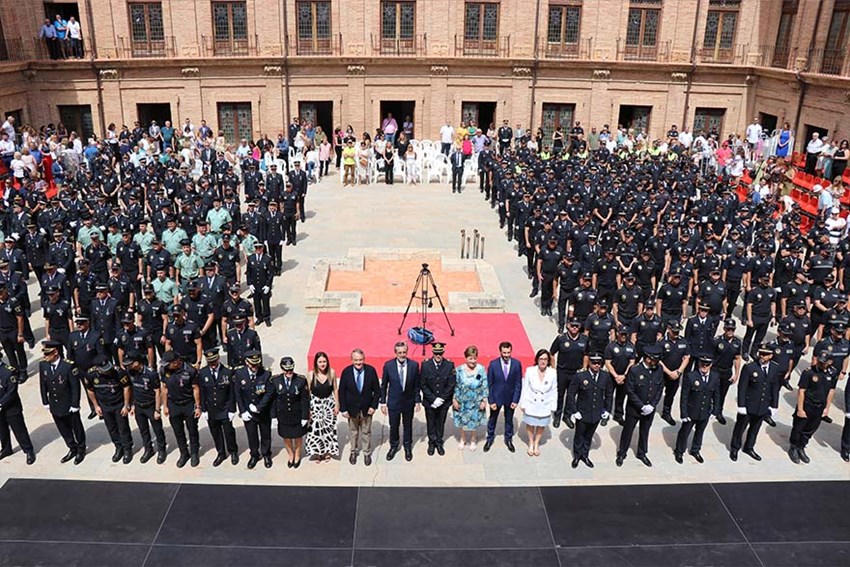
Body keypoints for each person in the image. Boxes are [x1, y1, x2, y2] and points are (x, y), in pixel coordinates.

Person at [616, 344, 664, 467]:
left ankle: (642, 453)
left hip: (650, 409)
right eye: (654, 360)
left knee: (645, 431)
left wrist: (652, 405)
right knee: (628, 431)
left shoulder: (658, 369)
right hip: (634, 408)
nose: (656, 362)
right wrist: (642, 406)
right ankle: (622, 453)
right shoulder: (635, 370)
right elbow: (629, 390)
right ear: (647, 359)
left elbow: (659, 388)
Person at [730, 344, 779, 462]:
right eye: (761, 353)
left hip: (762, 405)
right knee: (740, 427)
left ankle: (749, 447)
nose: (762, 356)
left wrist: (774, 405)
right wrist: (741, 405)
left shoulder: (774, 368)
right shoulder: (750, 367)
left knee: (755, 428)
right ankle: (735, 447)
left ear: (771, 356)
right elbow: (742, 388)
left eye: (765, 354)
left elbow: (774, 387)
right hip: (749, 405)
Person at [39, 340, 86, 464]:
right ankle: (72, 448)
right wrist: (45, 401)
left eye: (47, 354)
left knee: (76, 428)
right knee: (63, 429)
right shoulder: (43, 365)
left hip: (68, 403)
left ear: (55, 352)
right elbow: (43, 384)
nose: (45, 356)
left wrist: (75, 404)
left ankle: (81, 449)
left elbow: (75, 387)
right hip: (55, 404)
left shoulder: (68, 366)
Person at [83, 355, 133, 464]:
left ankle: (127, 448)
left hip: (118, 403)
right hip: (104, 405)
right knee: (111, 428)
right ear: (97, 368)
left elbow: (126, 387)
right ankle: (118, 447)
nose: (107, 371)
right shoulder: (91, 374)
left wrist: (126, 405)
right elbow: (90, 390)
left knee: (123, 427)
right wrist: (96, 406)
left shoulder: (118, 372)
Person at [788, 351, 836, 464]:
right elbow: (801, 391)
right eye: (819, 361)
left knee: (810, 429)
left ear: (830, 362)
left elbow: (831, 390)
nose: (820, 363)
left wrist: (827, 408)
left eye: (823, 362)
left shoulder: (833, 373)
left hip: (819, 407)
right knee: (798, 428)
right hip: (807, 405)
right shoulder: (808, 372)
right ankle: (793, 447)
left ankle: (801, 447)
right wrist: (800, 409)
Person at [567, 353, 613, 467]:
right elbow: (571, 394)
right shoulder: (580, 376)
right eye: (594, 363)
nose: (596, 365)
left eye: (599, 363)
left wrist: (607, 410)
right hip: (583, 412)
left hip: (596, 412)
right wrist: (574, 411)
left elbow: (609, 394)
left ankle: (585, 455)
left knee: (589, 435)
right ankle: (577, 456)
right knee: (579, 435)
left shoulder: (605, 376)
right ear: (589, 363)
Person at [674, 356, 720, 464]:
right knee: (685, 432)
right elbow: (684, 397)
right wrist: (684, 413)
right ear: (698, 363)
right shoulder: (691, 376)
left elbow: (716, 395)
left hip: (705, 411)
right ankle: (679, 451)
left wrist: (715, 410)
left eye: (707, 364)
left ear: (711, 365)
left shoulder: (714, 377)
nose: (704, 366)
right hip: (691, 411)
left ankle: (695, 450)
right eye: (702, 363)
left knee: (700, 432)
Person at [338, 349, 380, 466]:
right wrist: (343, 409)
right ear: (351, 360)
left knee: (366, 432)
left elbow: (377, 391)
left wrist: (373, 406)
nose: (358, 362)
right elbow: (341, 392)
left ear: (364, 359)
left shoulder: (371, 371)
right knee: (353, 432)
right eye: (356, 360)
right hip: (352, 410)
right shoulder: (346, 372)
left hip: (367, 409)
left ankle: (366, 453)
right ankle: (353, 451)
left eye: (360, 360)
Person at [380, 341, 421, 462]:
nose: (402, 355)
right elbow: (384, 385)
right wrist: (383, 402)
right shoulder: (389, 365)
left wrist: (417, 401)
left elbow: (416, 385)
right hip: (394, 402)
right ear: (395, 353)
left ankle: (407, 447)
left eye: (404, 352)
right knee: (394, 426)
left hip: (408, 402)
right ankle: (394, 446)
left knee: (408, 425)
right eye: (400, 352)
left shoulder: (414, 365)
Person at [161, 350, 201, 468]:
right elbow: (164, 388)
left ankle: (194, 453)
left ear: (176, 362)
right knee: (178, 432)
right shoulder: (164, 370)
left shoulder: (190, 370)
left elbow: (195, 389)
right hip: (174, 405)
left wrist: (198, 406)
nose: (167, 366)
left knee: (192, 430)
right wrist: (165, 406)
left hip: (188, 404)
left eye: (168, 363)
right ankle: (184, 453)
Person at [199, 347, 239, 467]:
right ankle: (221, 453)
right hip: (211, 409)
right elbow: (202, 392)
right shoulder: (203, 373)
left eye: (214, 361)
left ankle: (233, 451)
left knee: (228, 432)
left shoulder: (228, 371)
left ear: (218, 358)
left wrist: (232, 409)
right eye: (210, 362)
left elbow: (232, 393)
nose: (213, 364)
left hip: (225, 408)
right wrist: (203, 409)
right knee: (215, 432)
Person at [125, 350, 167, 464]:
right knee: (143, 430)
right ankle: (148, 449)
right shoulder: (131, 372)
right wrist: (132, 405)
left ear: (136, 363)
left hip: (151, 406)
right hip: (139, 406)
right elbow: (133, 389)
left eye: (130, 363)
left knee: (157, 430)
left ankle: (162, 449)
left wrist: (157, 410)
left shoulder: (151, 374)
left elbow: (157, 392)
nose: (128, 366)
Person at [235, 350, 274, 469]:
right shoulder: (240, 374)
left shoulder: (266, 374)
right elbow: (238, 393)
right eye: (252, 364)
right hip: (248, 412)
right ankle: (254, 455)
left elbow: (269, 393)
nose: (254, 367)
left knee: (265, 434)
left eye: (256, 364)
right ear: (246, 362)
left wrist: (259, 407)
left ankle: (266, 454)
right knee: (252, 435)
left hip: (263, 411)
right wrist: (242, 411)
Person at [271, 356, 310, 468]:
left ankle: (297, 454)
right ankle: (291, 454)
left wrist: (305, 416)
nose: (289, 372)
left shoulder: (301, 380)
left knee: (298, 436)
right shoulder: (275, 380)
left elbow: (304, 400)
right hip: (283, 414)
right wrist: (273, 416)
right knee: (286, 436)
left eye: (291, 369)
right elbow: (273, 400)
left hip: (297, 414)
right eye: (286, 370)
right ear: (282, 369)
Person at [484, 341, 522, 452]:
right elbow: (489, 384)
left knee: (509, 420)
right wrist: (491, 401)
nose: (506, 355)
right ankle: (490, 438)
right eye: (504, 353)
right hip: (496, 398)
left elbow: (518, 383)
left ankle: (508, 439)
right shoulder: (493, 364)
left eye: (508, 352)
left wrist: (516, 400)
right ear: (500, 352)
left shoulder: (516, 364)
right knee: (492, 419)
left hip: (510, 398)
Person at [419, 342, 456, 456]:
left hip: (444, 402)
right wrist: (433, 399)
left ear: (443, 353)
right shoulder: (425, 365)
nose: (438, 356)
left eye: (440, 353)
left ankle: (439, 442)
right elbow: (422, 384)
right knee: (430, 422)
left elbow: (451, 384)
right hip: (430, 401)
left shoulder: (449, 365)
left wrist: (442, 399)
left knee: (440, 422)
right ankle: (431, 442)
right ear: (433, 353)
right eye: (436, 353)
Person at [518, 348, 556, 457]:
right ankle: (530, 442)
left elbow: (554, 390)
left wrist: (553, 405)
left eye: (545, 359)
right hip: (532, 402)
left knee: (541, 424)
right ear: (537, 360)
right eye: (541, 359)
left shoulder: (553, 373)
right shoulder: (530, 371)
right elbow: (525, 387)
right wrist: (523, 403)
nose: (543, 361)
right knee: (530, 423)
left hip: (545, 403)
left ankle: (536, 443)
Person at [0, 354, 35, 464]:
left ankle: (28, 450)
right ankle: (6, 449)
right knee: (2, 430)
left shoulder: (8, 372)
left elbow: (11, 392)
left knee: (19, 430)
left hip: (11, 407)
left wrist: (0, 404)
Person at [304, 351, 339, 462]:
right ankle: (318, 453)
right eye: (320, 362)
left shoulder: (332, 373)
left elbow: (335, 389)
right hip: (315, 405)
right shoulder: (310, 374)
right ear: (316, 363)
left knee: (328, 429)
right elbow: (308, 393)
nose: (322, 364)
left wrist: (337, 404)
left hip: (328, 404)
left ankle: (328, 451)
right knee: (316, 430)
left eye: (324, 361)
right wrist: (308, 409)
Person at [453, 345, 488, 450]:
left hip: (476, 401)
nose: (473, 361)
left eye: (475, 358)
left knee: (474, 420)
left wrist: (484, 400)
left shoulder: (481, 369)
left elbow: (484, 385)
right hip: (462, 400)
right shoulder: (459, 370)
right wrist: (454, 399)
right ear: (466, 358)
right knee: (461, 420)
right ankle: (463, 438)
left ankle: (473, 439)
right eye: (470, 358)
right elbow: (456, 385)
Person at [247, 242, 274, 327]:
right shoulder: (251, 258)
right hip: (255, 285)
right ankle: (259, 317)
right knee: (256, 302)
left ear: (262, 248)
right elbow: (248, 272)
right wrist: (250, 284)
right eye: (256, 248)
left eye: (260, 247)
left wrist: (268, 285)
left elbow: (270, 273)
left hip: (264, 284)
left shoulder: (267, 258)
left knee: (265, 302)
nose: (258, 249)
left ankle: (266, 317)